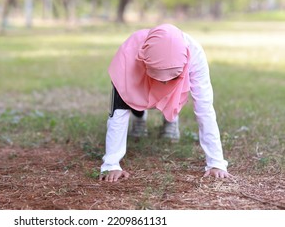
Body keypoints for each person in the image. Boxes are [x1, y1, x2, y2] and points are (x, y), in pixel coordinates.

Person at [99, 23, 232, 182]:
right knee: (134, 95)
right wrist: (111, 164)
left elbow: (205, 109)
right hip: (139, 75)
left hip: (177, 80)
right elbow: (118, 113)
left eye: (172, 78)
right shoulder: (128, 56)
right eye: (159, 78)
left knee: (173, 90)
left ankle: (171, 118)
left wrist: (216, 162)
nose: (164, 85)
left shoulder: (195, 55)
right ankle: (140, 116)